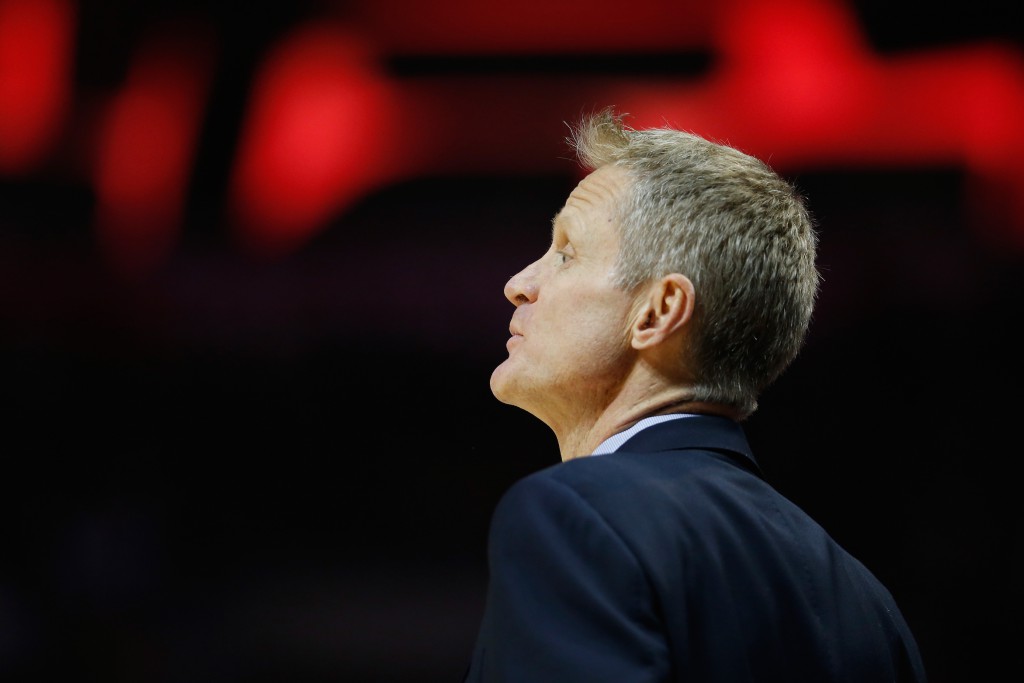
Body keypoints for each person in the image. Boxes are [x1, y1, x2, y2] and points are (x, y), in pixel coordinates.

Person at [462, 108, 926, 682]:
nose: (520, 284)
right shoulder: (870, 605)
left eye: (565, 251)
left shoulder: (576, 518)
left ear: (657, 312)